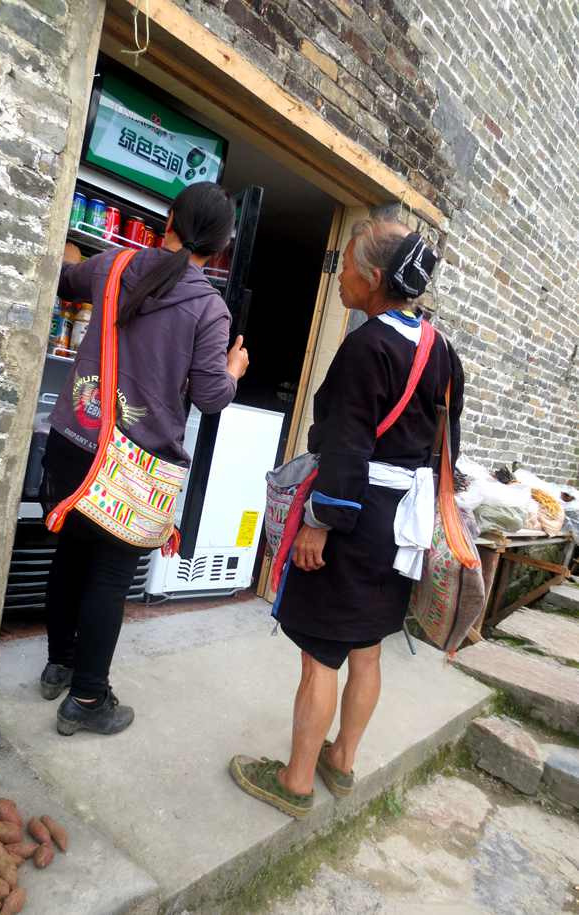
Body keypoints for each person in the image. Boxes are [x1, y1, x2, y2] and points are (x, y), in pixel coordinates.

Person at [230, 218, 464, 817]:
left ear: (375, 278)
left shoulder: (367, 346)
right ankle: (341, 760)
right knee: (367, 647)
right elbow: (446, 446)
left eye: (349, 266)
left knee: (320, 656)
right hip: (401, 527)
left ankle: (296, 782)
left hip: (352, 519)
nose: (340, 277)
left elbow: (347, 442)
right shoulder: (441, 348)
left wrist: (320, 521)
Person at [40, 182, 249, 736]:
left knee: (69, 557)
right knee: (109, 579)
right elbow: (211, 397)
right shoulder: (210, 308)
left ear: (170, 218)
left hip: (72, 442)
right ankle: (87, 699)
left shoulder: (114, 264)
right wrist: (233, 370)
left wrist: (71, 252)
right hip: (135, 465)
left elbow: (64, 278)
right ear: (221, 246)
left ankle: (59, 665)